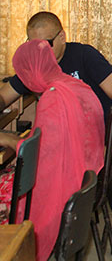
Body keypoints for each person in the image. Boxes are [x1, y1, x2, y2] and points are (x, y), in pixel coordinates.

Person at [0, 12, 112, 260]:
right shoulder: (37, 64)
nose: (39, 50)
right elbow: (5, 95)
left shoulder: (85, 56)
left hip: (108, 134)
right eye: (32, 45)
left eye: (45, 44)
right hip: (68, 142)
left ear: (62, 37)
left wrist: (111, 144)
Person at [0, 40, 104, 261]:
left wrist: (8, 140)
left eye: (25, 73)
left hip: (59, 191)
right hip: (80, 181)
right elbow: (52, 142)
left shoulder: (53, 99)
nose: (24, 80)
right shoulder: (73, 85)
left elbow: (39, 156)